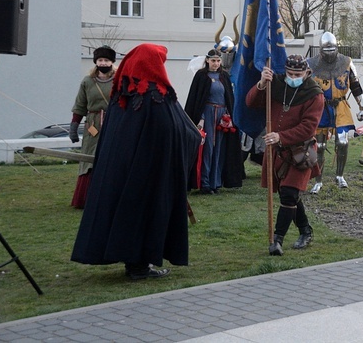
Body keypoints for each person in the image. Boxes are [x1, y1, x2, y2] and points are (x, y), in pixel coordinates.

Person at [71, 44, 202, 280]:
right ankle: (139, 266)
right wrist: (193, 138)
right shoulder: (156, 96)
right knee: (144, 214)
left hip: (120, 173)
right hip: (148, 173)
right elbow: (171, 131)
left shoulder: (121, 97)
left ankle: (134, 263)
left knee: (127, 214)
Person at [247, 55, 324, 255]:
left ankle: (277, 240)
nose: (292, 77)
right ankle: (305, 230)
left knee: (290, 193)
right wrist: (262, 84)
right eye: (289, 73)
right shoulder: (276, 84)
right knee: (289, 194)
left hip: (301, 152)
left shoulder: (315, 94)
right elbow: (251, 103)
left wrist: (281, 136)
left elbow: (308, 127)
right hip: (277, 151)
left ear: (307, 73)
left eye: (297, 74)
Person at [307, 32, 363, 192]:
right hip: (320, 108)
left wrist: (362, 106)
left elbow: (355, 85)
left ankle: (340, 176)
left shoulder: (347, 62)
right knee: (319, 146)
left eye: (332, 49)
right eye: (326, 50)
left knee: (342, 142)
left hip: (341, 107)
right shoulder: (311, 64)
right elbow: (305, 89)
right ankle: (318, 180)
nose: (330, 53)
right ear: (320, 50)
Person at [184, 49, 243, 194]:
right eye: (213, 61)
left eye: (218, 61)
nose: (216, 64)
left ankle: (215, 182)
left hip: (222, 116)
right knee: (208, 148)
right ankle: (204, 182)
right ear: (207, 61)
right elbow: (197, 100)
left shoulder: (224, 76)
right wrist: (201, 118)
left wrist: (229, 116)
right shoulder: (201, 76)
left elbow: (229, 98)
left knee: (220, 149)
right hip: (207, 114)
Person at [69, 45, 117, 209]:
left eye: (106, 60)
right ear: (96, 61)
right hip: (93, 125)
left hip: (113, 122)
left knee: (112, 158)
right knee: (89, 159)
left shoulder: (119, 80)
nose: (103, 63)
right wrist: (74, 127)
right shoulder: (87, 81)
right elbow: (80, 105)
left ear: (112, 62)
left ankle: (109, 198)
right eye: (100, 60)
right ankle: (85, 199)